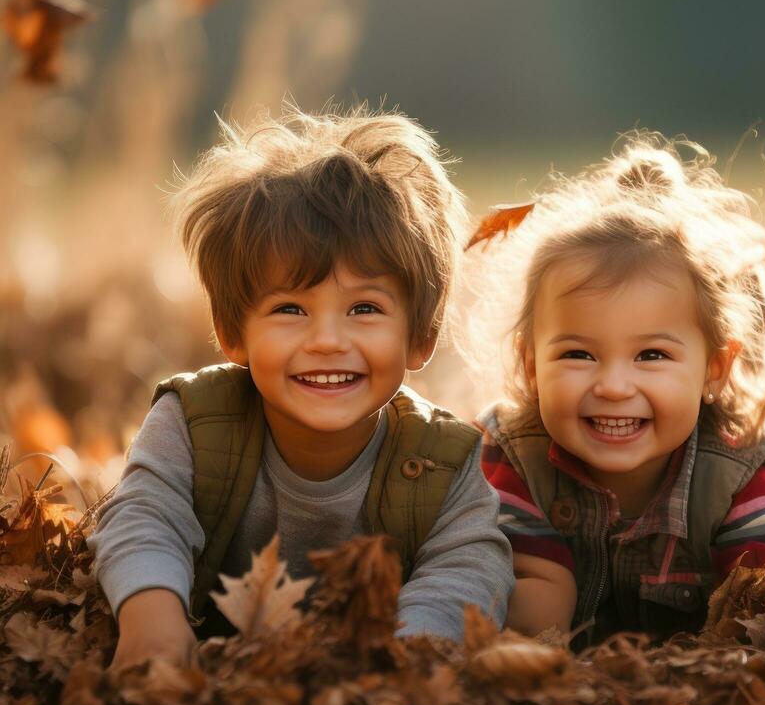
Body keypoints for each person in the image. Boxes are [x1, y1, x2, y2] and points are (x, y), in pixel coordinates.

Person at [91, 107, 514, 670]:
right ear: (232, 332)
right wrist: (153, 621)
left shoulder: (442, 462)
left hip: (376, 681)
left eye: (364, 308)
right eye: (290, 308)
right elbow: (145, 516)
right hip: (219, 675)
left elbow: (468, 568)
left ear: (419, 336)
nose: (326, 341)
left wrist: (408, 658)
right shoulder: (193, 423)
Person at [470, 135, 765, 644]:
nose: (615, 386)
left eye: (651, 356)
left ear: (714, 368)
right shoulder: (513, 459)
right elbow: (532, 599)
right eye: (578, 354)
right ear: (531, 365)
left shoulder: (734, 481)